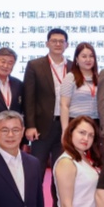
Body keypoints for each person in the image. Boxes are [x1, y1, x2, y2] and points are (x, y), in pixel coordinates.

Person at [23, 28, 71, 168]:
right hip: (41, 126)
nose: (58, 44)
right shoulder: (35, 65)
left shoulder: (73, 66)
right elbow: (29, 98)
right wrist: (30, 125)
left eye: (61, 41)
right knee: (37, 167)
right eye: (54, 41)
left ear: (67, 45)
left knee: (62, 167)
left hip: (66, 125)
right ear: (47, 44)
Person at [59, 42, 100, 136]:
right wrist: (65, 130)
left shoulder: (99, 78)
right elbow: (64, 105)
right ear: (77, 59)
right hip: (76, 122)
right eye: (84, 56)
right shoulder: (70, 77)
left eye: (91, 56)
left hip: (95, 122)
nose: (88, 59)